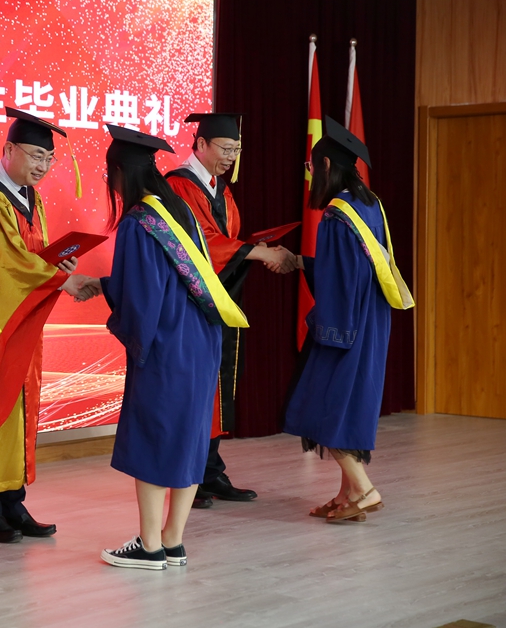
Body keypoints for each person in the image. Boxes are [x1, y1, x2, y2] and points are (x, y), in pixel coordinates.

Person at [85, 125, 247, 570]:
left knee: (154, 439)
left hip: (167, 344)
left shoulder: (139, 221)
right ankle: (173, 542)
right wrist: (107, 284)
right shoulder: (179, 211)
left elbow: (144, 296)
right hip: (202, 340)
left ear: (119, 173)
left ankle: (150, 545)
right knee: (189, 439)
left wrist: (125, 323)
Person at [0, 108, 91, 543]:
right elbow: (5, 259)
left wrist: (60, 263)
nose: (42, 165)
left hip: (23, 317)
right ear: (9, 149)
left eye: (48, 159)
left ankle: (12, 501)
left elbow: (33, 254)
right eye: (36, 155)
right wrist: (61, 279)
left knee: (21, 403)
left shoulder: (29, 197)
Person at [165, 112, 296, 509]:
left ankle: (209, 471)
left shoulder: (219, 189)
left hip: (220, 299)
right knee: (195, 389)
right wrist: (257, 253)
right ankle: (186, 475)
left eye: (236, 150)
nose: (231, 157)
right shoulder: (177, 186)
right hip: (191, 303)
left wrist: (255, 248)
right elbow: (199, 242)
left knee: (217, 385)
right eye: (225, 148)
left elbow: (228, 239)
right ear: (201, 144)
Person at [284, 116, 412, 523]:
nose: (310, 174)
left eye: (311, 166)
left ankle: (364, 489)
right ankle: (346, 496)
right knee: (351, 407)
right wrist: (302, 262)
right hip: (372, 319)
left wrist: (328, 329)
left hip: (345, 325)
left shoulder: (336, 216)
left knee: (322, 405)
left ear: (325, 166)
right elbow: (356, 269)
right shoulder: (371, 204)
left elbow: (340, 281)